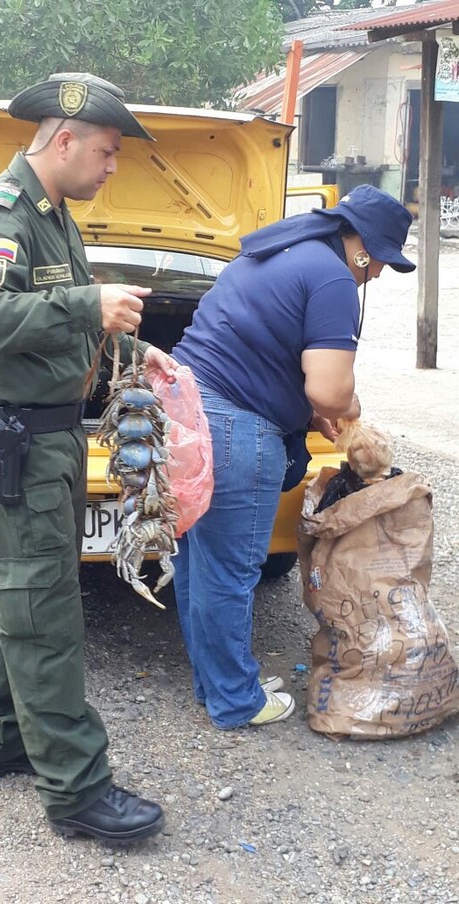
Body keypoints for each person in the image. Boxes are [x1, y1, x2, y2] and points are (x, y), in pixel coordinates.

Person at [0, 72, 177, 843]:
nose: (112, 168)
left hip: (45, 439)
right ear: (65, 139)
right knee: (41, 610)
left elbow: (59, 329)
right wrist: (89, 302)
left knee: (8, 593)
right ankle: (77, 790)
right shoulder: (0, 216)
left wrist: (136, 352)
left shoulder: (52, 217)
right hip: (18, 444)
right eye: (107, 153)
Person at [170, 184, 416, 731]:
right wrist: (347, 406)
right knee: (232, 569)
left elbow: (263, 346)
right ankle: (236, 700)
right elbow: (329, 391)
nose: (378, 275)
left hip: (187, 409)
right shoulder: (333, 278)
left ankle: (216, 684)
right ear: (362, 248)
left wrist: (308, 411)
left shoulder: (281, 249)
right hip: (234, 423)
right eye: (381, 261)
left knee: (199, 560)